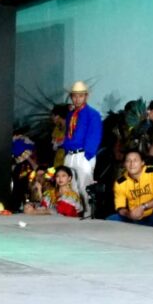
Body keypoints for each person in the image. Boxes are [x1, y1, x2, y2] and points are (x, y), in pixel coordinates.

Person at [62, 81, 101, 216]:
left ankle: (88, 215)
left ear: (86, 96)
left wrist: (88, 155)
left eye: (80, 96)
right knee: (71, 187)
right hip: (70, 155)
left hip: (83, 154)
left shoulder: (92, 114)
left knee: (84, 187)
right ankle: (74, 213)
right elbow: (68, 133)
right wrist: (66, 152)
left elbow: (94, 135)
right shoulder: (70, 115)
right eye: (74, 96)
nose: (77, 99)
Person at [108, 149, 153, 228]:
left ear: (142, 162)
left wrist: (143, 207)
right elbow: (120, 207)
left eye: (135, 160)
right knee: (111, 219)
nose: (132, 164)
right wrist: (129, 214)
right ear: (124, 164)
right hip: (134, 218)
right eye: (128, 161)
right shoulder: (120, 183)